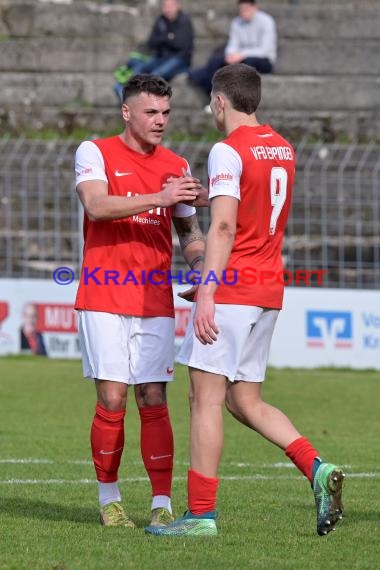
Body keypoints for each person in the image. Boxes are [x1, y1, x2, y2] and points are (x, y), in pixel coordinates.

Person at [145, 63, 345, 538]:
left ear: (220, 102)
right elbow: (255, 211)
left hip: (232, 288)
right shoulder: (282, 146)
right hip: (269, 287)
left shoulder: (226, 150)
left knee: (204, 399)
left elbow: (225, 226)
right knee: (243, 400)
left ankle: (201, 516)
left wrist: (209, 288)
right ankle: (316, 467)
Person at [74, 74, 206, 528]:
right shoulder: (95, 152)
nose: (160, 121)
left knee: (153, 397)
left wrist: (201, 269)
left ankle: (161, 502)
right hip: (103, 294)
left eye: (166, 113)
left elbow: (189, 232)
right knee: (112, 398)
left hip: (154, 299)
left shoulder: (177, 163)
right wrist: (161, 195)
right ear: (127, 112)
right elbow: (96, 206)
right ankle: (109, 499)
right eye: (151, 112)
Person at [188, 0, 276, 101]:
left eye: (246, 9)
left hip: (263, 60)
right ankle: (214, 96)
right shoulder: (237, 22)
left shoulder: (267, 21)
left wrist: (242, 54)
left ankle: (219, 97)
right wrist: (230, 55)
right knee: (215, 61)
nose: (243, 12)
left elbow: (264, 50)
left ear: (254, 7)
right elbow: (232, 45)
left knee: (246, 64)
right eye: (241, 10)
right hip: (240, 58)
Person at [114, 0, 194, 101]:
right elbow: (152, 42)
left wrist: (164, 39)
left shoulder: (184, 21)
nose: (168, 9)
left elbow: (181, 45)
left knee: (156, 74)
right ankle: (127, 95)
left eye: (170, 6)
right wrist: (168, 38)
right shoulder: (160, 21)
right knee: (139, 70)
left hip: (179, 58)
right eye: (165, 6)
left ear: (178, 6)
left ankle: (145, 101)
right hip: (161, 56)